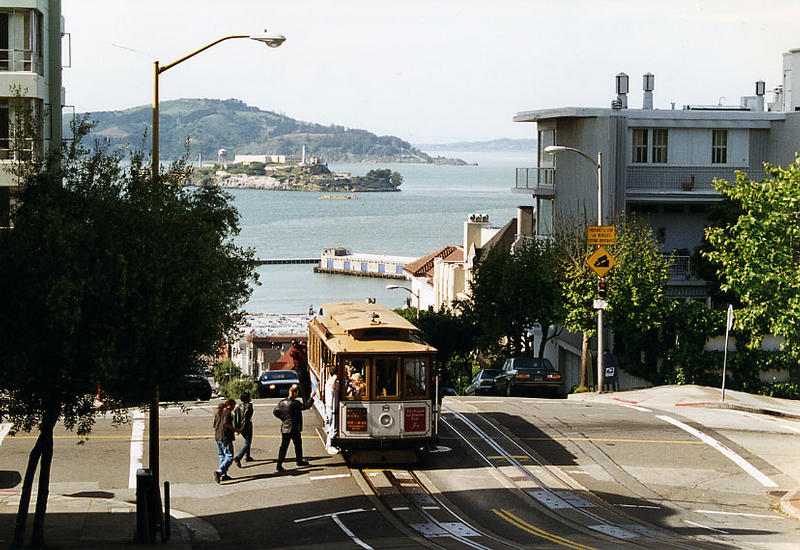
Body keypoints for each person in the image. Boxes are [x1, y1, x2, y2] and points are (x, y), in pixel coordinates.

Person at [273, 384, 315, 472]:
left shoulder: (281, 402)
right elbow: (306, 406)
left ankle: (279, 464)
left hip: (285, 427)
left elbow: (275, 411)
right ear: (294, 393)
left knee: (284, 447)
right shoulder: (295, 403)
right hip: (294, 428)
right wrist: (311, 398)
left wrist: (283, 418)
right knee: (298, 445)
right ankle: (299, 461)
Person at [213, 398, 238, 483]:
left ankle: (224, 474)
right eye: (233, 405)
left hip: (217, 436)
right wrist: (235, 430)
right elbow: (226, 424)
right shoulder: (227, 413)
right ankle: (220, 471)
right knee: (229, 456)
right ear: (230, 405)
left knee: (222, 456)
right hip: (225, 437)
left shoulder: (219, 412)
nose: (234, 407)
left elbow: (214, 425)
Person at [233, 391, 254, 467]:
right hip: (247, 426)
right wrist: (248, 425)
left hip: (240, 426)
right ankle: (239, 456)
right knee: (248, 442)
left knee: (247, 440)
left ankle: (247, 456)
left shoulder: (239, 406)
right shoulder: (249, 406)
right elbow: (248, 417)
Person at [288, 339, 312, 404]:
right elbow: (293, 354)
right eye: (293, 344)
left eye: (295, 343)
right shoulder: (293, 351)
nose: (295, 345)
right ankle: (305, 401)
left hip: (304, 367)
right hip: (299, 368)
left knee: (307, 383)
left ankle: (308, 398)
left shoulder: (300, 347)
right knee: (302, 385)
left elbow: (305, 347)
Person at [324, 365, 339, 454]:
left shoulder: (331, 381)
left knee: (333, 425)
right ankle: (329, 445)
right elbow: (332, 390)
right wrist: (334, 379)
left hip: (331, 405)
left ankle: (330, 445)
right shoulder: (331, 382)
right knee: (332, 426)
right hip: (331, 406)